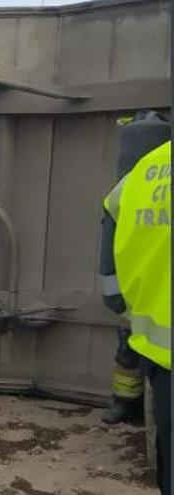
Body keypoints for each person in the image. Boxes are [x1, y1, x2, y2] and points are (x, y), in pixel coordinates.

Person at [103, 139, 171, 494]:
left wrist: (116, 297)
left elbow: (109, 221)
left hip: (150, 327)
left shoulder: (145, 169)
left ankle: (123, 405)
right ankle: (122, 404)